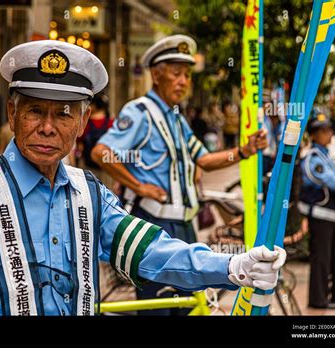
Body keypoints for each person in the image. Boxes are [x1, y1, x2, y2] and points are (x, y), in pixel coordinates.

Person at [0, 40, 285, 316]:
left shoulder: (89, 193)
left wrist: (232, 266)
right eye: (35, 111)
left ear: (82, 122)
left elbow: (151, 252)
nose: (48, 128)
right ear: (12, 113)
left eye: (63, 114)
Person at [91, 35, 270, 315]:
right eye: (176, 74)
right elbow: (101, 153)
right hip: (153, 220)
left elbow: (204, 159)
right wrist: (140, 187)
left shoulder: (177, 118)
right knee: (158, 308)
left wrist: (244, 151)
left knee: (189, 305)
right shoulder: (140, 112)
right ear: (156, 74)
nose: (183, 81)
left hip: (184, 224)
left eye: (187, 75)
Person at [298, 112, 335, 309]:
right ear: (313, 135)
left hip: (334, 216)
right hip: (321, 217)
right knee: (321, 259)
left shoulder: (324, 154)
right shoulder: (312, 158)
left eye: (329, 129)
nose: (328, 133)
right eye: (323, 131)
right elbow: (334, 181)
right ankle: (318, 299)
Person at [79, 94, 113, 186]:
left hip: (88, 166)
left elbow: (80, 144)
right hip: (107, 167)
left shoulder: (86, 123)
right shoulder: (111, 123)